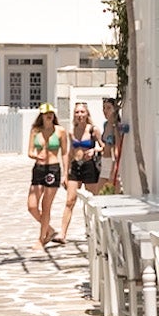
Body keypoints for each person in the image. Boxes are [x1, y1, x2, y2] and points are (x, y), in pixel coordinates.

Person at [60, 102, 101, 242]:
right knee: (70, 200)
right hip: (75, 166)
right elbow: (69, 153)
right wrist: (65, 173)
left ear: (87, 113)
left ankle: (96, 231)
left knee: (92, 201)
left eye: (82, 112)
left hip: (89, 166)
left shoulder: (93, 130)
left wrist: (94, 150)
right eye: (77, 112)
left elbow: (104, 146)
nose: (80, 115)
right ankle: (62, 234)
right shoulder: (72, 132)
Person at [27, 105, 63, 249]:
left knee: (46, 206)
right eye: (46, 114)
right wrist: (36, 155)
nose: (49, 116)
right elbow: (29, 151)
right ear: (41, 115)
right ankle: (49, 229)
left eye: (51, 113)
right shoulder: (35, 131)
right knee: (32, 206)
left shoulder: (60, 131)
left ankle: (41, 239)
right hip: (39, 168)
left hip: (53, 168)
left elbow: (65, 153)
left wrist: (66, 173)